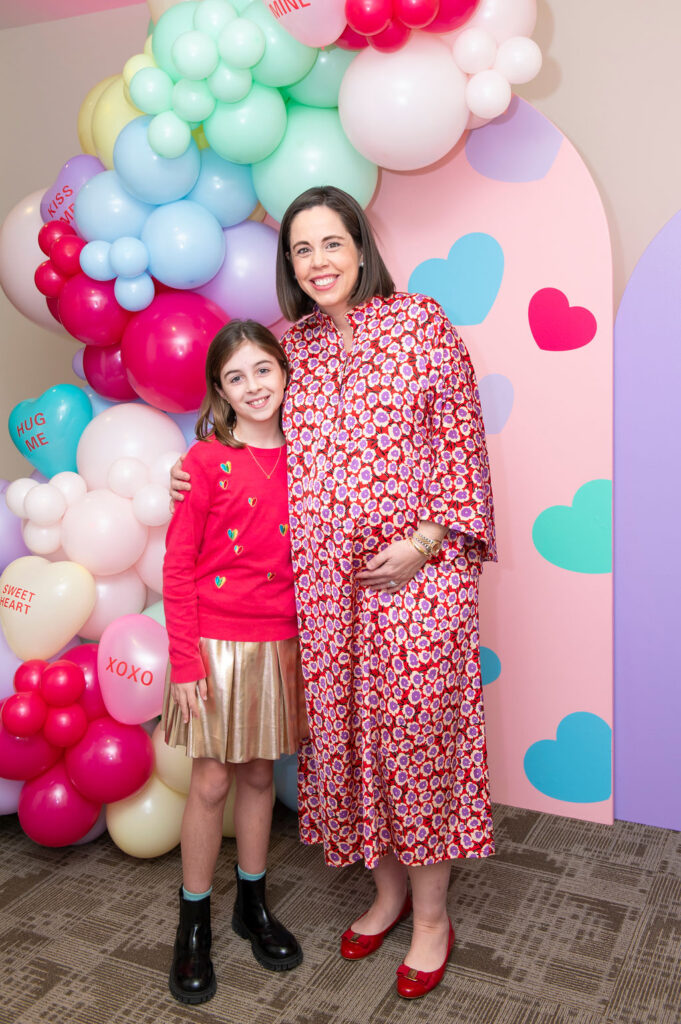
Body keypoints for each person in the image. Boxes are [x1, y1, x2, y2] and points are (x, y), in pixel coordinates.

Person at [171, 186, 496, 1000]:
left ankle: (430, 914)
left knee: (415, 738)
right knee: (351, 740)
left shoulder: (421, 324)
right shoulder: (297, 346)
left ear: (361, 245)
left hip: (420, 578)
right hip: (322, 595)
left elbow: (462, 446)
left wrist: (420, 544)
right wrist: (193, 461)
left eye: (330, 243)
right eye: (300, 250)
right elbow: (255, 433)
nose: (317, 263)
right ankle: (385, 891)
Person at [162, 319, 307, 1005]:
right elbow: (178, 567)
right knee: (212, 782)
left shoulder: (310, 456)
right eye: (235, 377)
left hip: (279, 641)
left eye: (263, 370)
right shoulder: (201, 462)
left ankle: (252, 904)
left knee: (257, 777)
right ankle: (193, 924)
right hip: (214, 648)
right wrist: (184, 663)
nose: (254, 387)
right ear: (219, 391)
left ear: (284, 371)